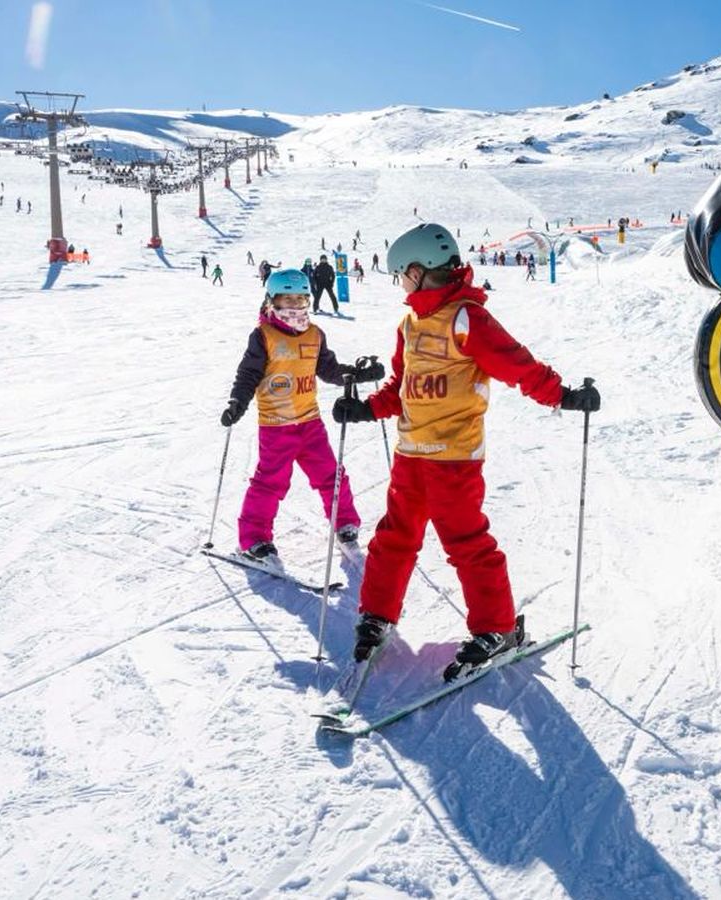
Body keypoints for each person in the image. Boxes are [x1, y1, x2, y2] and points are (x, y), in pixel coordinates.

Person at [331, 223, 600, 667]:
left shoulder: (466, 317)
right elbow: (402, 385)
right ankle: (377, 613)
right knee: (393, 537)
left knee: (466, 543)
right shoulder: (410, 323)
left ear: (418, 272)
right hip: (410, 454)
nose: (401, 284)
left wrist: (564, 395)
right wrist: (366, 409)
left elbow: (518, 364)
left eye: (402, 274)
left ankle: (496, 627)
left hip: (454, 457)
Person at [219, 268, 383, 563]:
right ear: (272, 300)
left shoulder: (315, 334)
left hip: (310, 423)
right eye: (286, 299)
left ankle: (344, 522)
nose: (294, 305)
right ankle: (255, 538)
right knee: (270, 482)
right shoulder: (263, 336)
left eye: (300, 298)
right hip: (276, 425)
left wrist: (356, 374)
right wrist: (237, 403)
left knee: (331, 475)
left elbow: (330, 370)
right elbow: (248, 375)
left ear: (308, 299)